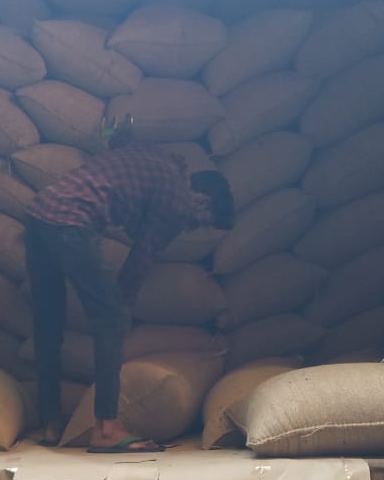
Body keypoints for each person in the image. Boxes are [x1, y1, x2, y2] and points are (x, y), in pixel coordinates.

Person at [24, 134, 234, 452]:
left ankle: (50, 423)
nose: (191, 228)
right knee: (112, 320)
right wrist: (121, 309)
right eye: (202, 222)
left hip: (39, 214)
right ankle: (106, 429)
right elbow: (140, 261)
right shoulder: (178, 201)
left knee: (49, 323)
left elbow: (119, 154)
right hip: (72, 222)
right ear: (202, 200)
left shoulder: (153, 156)